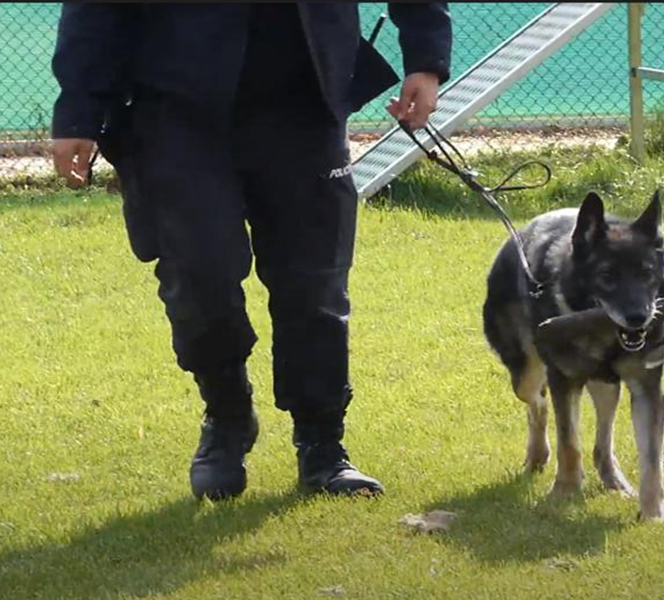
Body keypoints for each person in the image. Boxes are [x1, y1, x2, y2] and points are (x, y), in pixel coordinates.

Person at [50, 4, 451, 500]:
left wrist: (426, 62)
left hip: (303, 103)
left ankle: (322, 446)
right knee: (199, 277)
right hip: (173, 111)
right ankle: (227, 417)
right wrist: (77, 110)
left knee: (313, 285)